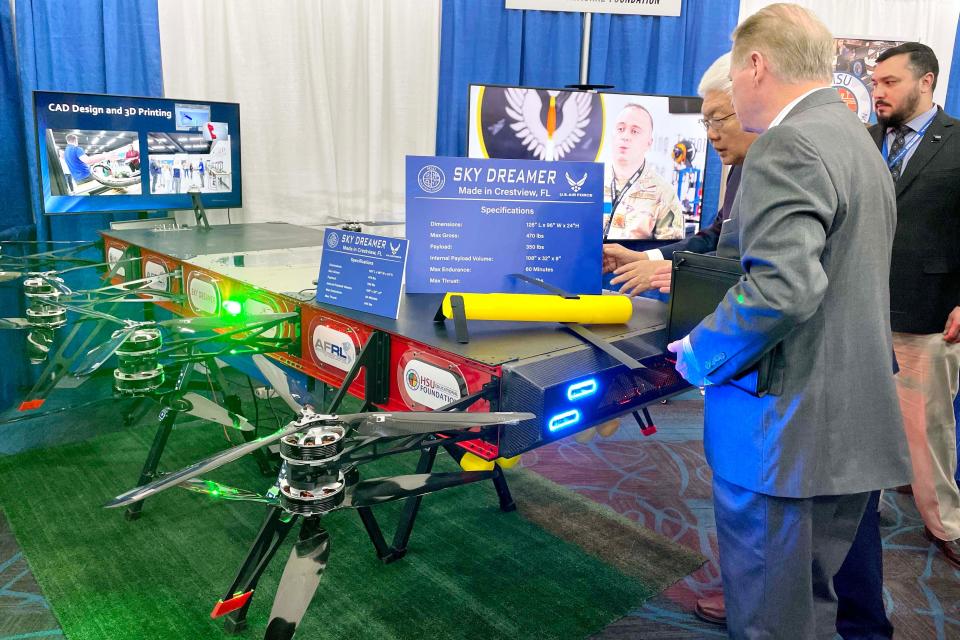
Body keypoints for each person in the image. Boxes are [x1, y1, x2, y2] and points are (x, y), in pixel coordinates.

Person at [668, 5, 911, 638]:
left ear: (756, 65)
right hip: (848, 426)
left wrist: (700, 352)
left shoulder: (787, 143)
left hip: (784, 435)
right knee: (812, 607)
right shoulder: (854, 136)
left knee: (771, 620)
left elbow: (782, 288)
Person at [870, 42, 960, 568]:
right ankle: (864, 505)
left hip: (929, 314)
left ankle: (943, 523)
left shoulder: (958, 143)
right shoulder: (862, 141)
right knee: (859, 419)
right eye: (875, 83)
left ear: (926, 82)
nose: (877, 92)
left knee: (927, 431)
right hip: (857, 312)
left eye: (889, 82)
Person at [602, 53, 757, 295]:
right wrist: (645, 258)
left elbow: (753, 262)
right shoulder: (739, 165)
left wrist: (673, 270)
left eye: (717, 120)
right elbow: (716, 237)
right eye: (706, 123)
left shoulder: (784, 167)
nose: (711, 135)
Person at [603, 104, 685, 240]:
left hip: (636, 261)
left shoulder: (663, 194)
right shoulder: (591, 184)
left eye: (634, 131)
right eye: (620, 129)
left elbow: (669, 253)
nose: (625, 136)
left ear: (649, 143)